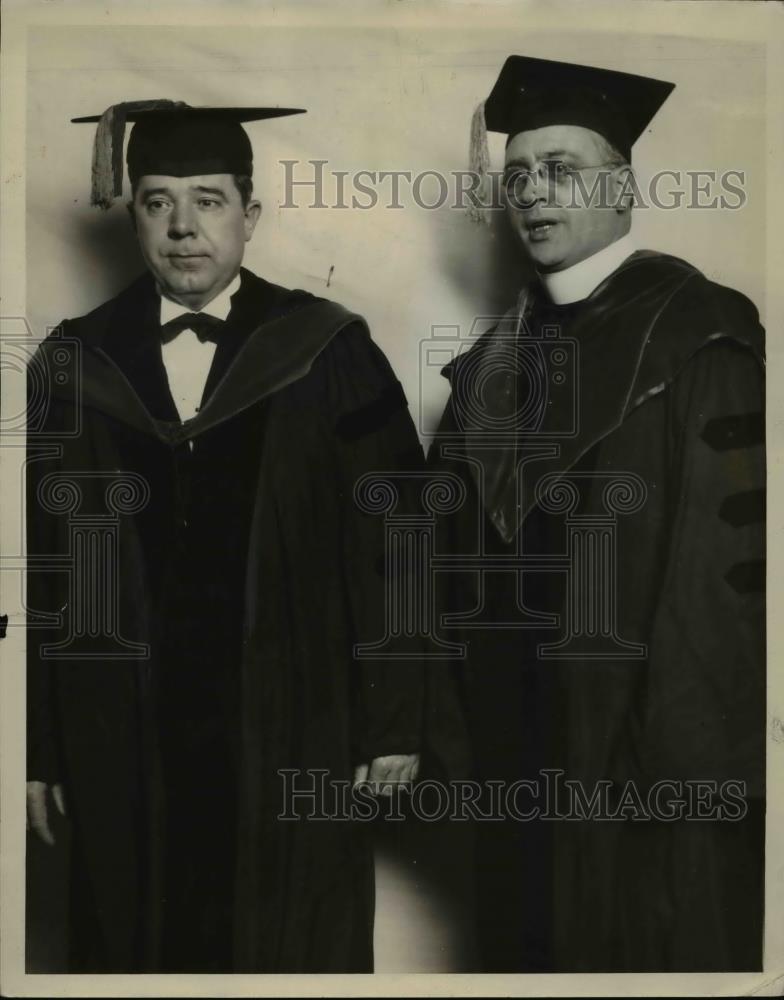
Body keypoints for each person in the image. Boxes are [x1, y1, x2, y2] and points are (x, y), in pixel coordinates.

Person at [26, 99, 429, 973]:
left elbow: (399, 543)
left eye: (208, 200)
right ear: (133, 217)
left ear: (251, 215)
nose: (182, 227)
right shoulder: (74, 363)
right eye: (157, 201)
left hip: (294, 722)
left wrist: (393, 722)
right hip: (120, 727)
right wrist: (39, 747)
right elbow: (46, 566)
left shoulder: (328, 351)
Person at [429, 56, 765, 972]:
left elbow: (720, 581)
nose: (535, 194)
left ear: (623, 185)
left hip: (639, 749)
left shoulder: (702, 332)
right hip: (512, 749)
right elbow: (445, 568)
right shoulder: (490, 362)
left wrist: (681, 770)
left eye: (563, 169)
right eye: (518, 176)